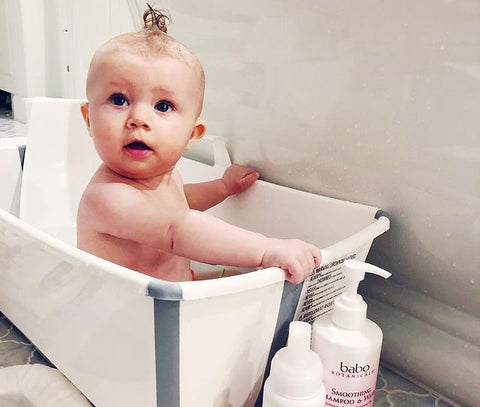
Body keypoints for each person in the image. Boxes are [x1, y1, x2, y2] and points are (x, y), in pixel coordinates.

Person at [77, 6, 320, 283]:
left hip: (176, 289)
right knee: (247, 277)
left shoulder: (169, 179)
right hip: (128, 311)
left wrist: (222, 188)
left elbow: (181, 203)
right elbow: (175, 229)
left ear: (192, 135)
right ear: (89, 119)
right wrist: (265, 248)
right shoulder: (106, 198)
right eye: (119, 100)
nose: (139, 119)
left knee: (245, 280)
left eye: (163, 105)